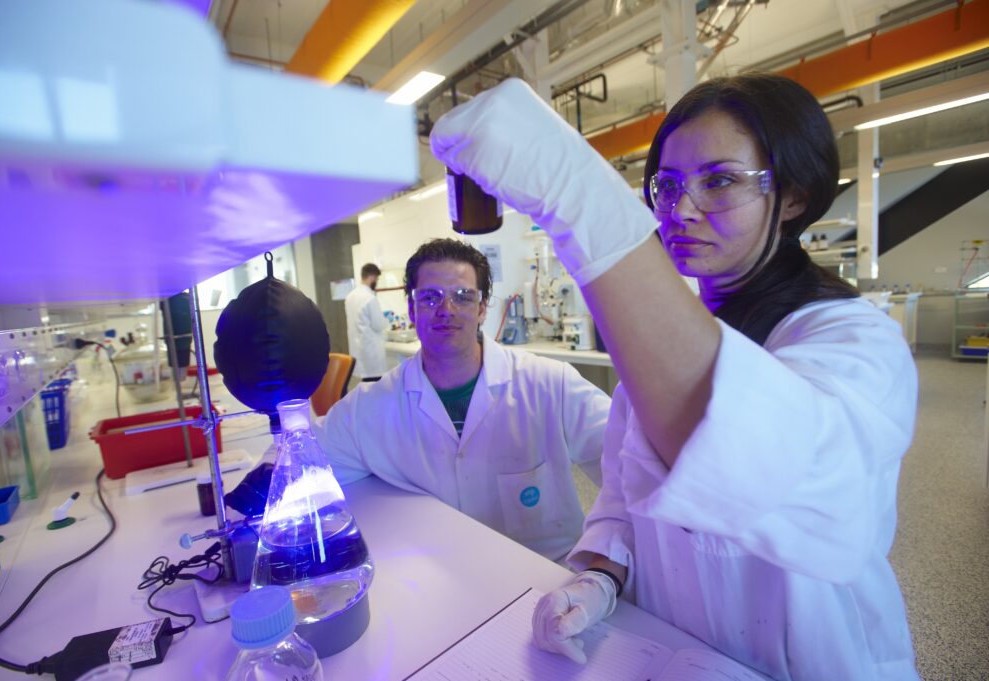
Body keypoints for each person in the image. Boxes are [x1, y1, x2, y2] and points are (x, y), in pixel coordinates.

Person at [430, 75, 919, 680]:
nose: (681, 209)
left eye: (718, 181)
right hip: (669, 653)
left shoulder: (854, 340)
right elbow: (625, 493)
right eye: (668, 185)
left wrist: (579, 198)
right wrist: (599, 579)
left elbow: (763, 468)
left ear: (791, 196)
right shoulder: (673, 335)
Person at [314, 238, 612, 561]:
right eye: (430, 298)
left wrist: (603, 565)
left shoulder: (551, 384)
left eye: (463, 297)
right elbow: (303, 463)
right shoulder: (369, 407)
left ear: (483, 308)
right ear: (412, 309)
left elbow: (636, 472)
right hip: (439, 585)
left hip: (549, 582)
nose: (447, 311)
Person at [344, 263, 388, 382]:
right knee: (375, 387)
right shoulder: (370, 298)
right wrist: (386, 320)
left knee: (366, 387)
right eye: (377, 279)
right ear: (372, 277)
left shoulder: (350, 297)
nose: (376, 282)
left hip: (358, 351)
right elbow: (378, 325)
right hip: (371, 352)